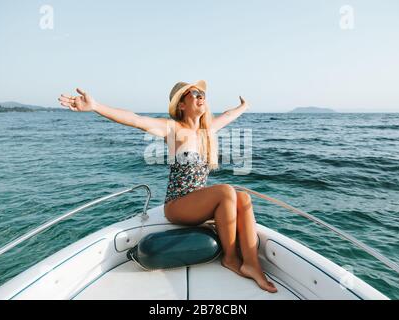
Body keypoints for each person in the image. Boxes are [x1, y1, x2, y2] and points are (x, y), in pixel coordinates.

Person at [58, 80, 277, 293]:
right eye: (194, 94)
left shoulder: (207, 131)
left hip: (200, 204)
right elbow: (134, 119)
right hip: (177, 205)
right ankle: (230, 258)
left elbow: (228, 115)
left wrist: (244, 106)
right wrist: (95, 106)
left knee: (244, 198)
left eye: (203, 94)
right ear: (181, 104)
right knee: (226, 191)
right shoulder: (173, 129)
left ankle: (251, 264)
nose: (201, 96)